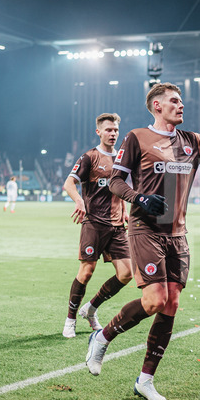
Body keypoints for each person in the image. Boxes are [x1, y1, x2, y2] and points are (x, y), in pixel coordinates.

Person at [84, 82, 200, 400]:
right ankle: (102, 336)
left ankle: (145, 380)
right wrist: (139, 198)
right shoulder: (137, 137)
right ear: (157, 106)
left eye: (181, 101)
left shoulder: (192, 142)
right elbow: (116, 181)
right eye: (175, 101)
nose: (181, 106)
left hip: (178, 234)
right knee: (154, 300)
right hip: (144, 228)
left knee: (171, 304)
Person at [61, 113, 133, 339]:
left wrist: (125, 211)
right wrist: (79, 200)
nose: (112, 134)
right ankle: (70, 320)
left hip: (117, 225)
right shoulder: (89, 157)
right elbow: (69, 182)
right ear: (99, 132)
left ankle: (90, 309)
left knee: (126, 274)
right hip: (94, 223)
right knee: (87, 271)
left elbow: (119, 188)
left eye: (115, 130)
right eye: (108, 130)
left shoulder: (122, 159)